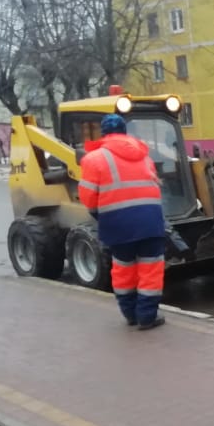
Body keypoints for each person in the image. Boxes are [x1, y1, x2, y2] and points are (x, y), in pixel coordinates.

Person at [78, 114, 167, 330]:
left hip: (117, 224)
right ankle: (147, 316)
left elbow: (88, 197)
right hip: (150, 221)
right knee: (151, 271)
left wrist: (101, 215)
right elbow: (154, 186)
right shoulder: (144, 157)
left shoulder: (93, 159)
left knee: (123, 269)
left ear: (104, 134)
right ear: (125, 132)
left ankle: (130, 314)